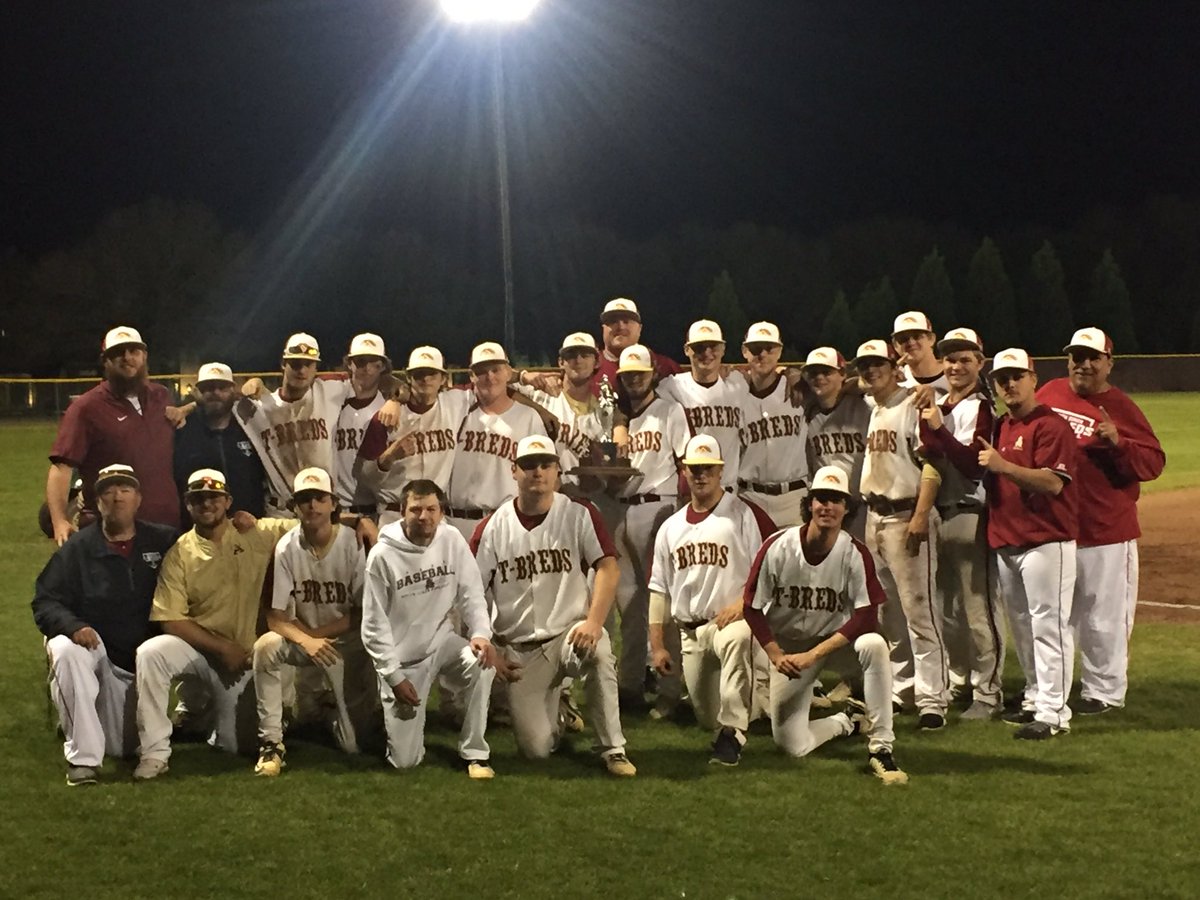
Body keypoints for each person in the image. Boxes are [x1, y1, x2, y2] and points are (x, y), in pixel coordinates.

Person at [470, 436, 636, 776]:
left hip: (570, 635)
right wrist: (488, 644)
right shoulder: (492, 526)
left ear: (558, 470)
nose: (538, 472)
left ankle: (613, 749)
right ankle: (559, 708)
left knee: (601, 651)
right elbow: (472, 591)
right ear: (513, 471)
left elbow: (608, 567)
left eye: (546, 464)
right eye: (529, 465)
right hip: (522, 651)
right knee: (536, 751)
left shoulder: (579, 513)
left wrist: (594, 621)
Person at [742, 465, 907, 785]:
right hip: (790, 650)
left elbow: (866, 617)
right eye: (821, 499)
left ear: (847, 508)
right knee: (792, 745)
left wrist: (815, 655)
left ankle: (882, 748)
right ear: (809, 503)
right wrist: (776, 655)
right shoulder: (779, 546)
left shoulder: (854, 552)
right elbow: (752, 607)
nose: (827, 507)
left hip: (836, 643)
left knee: (874, 644)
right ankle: (848, 721)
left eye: (836, 500)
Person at [132, 468, 297, 779]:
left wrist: (358, 521)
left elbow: (311, 524)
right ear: (187, 504)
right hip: (205, 652)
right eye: (198, 498)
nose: (207, 504)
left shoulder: (257, 532)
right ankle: (154, 752)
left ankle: (206, 712)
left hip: (246, 659)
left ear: (228, 501)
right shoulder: (180, 551)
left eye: (214, 497)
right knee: (151, 652)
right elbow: (169, 617)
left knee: (236, 746)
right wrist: (221, 648)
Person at [1037, 327, 1165, 714]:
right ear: (1068, 360)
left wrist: (1119, 444)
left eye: (1094, 357)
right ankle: (1053, 689)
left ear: (1109, 363)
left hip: (1106, 530)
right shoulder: (1050, 393)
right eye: (1078, 356)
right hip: (1058, 528)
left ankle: (1104, 691)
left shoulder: (1121, 407)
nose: (1085, 364)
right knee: (1058, 616)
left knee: (1102, 617)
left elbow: (1153, 463)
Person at [32, 465, 178, 785]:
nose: (116, 497)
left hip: (139, 666)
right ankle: (83, 760)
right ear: (97, 502)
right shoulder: (78, 548)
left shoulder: (164, 539)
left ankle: (85, 716)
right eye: (108, 491)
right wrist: (72, 626)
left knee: (122, 748)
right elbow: (45, 600)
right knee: (63, 648)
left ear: (138, 498)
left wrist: (241, 525)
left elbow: (206, 547)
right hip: (96, 654)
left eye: (125, 489)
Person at [647, 434, 776, 766]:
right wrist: (658, 646)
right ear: (684, 472)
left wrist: (744, 605)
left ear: (721, 472)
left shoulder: (743, 514)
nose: (701, 475)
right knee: (708, 719)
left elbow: (769, 570)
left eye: (708, 468)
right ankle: (776, 697)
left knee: (737, 642)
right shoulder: (670, 528)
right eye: (694, 468)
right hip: (691, 633)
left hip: (731, 623)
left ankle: (733, 735)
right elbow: (658, 589)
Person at [361, 479, 499, 778]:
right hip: (404, 660)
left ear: (441, 511)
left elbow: (471, 592)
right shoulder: (382, 556)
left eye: (431, 509)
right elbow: (373, 626)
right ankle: (386, 724)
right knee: (405, 761)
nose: (424, 516)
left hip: (442, 642)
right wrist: (394, 676)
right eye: (416, 509)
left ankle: (475, 752)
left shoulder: (451, 540)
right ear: (402, 511)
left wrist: (479, 635)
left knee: (483, 663)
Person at [250, 467, 379, 777]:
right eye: (304, 499)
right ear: (295, 506)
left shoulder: (353, 543)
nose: (312, 506)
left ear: (334, 504)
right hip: (305, 643)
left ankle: (342, 711)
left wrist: (316, 636)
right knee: (265, 647)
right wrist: (307, 641)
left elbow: (363, 613)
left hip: (347, 642)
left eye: (319, 498)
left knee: (353, 743)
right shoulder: (286, 547)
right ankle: (271, 742)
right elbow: (275, 617)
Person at [980, 348, 1079, 740]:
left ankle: (1055, 713)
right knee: (1022, 627)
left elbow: (1054, 483)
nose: (1009, 383)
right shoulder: (1003, 426)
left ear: (1033, 378)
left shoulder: (1051, 426)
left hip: (1045, 541)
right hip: (1008, 540)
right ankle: (1036, 698)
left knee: (1049, 628)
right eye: (1002, 378)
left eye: (1016, 376)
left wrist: (1003, 467)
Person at [856, 339, 948, 728]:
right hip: (874, 518)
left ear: (896, 367)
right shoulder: (877, 406)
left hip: (906, 514)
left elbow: (934, 463)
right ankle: (902, 687)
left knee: (920, 611)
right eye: (865, 365)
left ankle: (933, 699)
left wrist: (920, 516)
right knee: (889, 613)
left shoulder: (915, 404)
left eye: (878, 363)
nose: (870, 370)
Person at [918, 328, 1005, 719]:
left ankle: (988, 693)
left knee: (978, 611)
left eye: (964, 359)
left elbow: (972, 467)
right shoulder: (939, 403)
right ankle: (959, 681)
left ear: (979, 363)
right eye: (949, 359)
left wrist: (938, 429)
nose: (955, 366)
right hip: (939, 515)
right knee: (947, 611)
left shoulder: (981, 407)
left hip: (971, 513)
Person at [236, 332, 401, 516]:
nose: (302, 370)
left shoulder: (330, 390)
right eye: (295, 363)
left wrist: (397, 397)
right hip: (282, 511)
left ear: (316, 367)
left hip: (323, 509)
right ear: (283, 364)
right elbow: (217, 399)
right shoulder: (255, 407)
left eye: (308, 364)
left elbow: (378, 379)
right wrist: (247, 384)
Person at [47, 325, 182, 543]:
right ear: (105, 361)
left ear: (144, 356)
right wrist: (59, 520)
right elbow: (61, 468)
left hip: (166, 527)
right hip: (111, 532)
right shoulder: (86, 408)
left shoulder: (162, 396)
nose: (127, 358)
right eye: (118, 353)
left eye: (133, 351)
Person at [612, 344, 690, 715]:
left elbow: (685, 462)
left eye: (640, 373)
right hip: (621, 509)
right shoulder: (619, 417)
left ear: (653, 374)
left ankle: (670, 690)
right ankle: (628, 687)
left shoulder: (669, 410)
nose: (634, 379)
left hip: (658, 504)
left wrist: (688, 512)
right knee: (628, 605)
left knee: (662, 602)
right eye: (628, 375)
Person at [445, 341, 549, 541]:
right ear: (471, 375)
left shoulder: (528, 416)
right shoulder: (456, 405)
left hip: (505, 522)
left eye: (496, 369)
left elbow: (544, 472)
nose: (490, 377)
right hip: (455, 523)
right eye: (482, 371)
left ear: (508, 373)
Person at [357, 346, 472, 527]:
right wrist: (388, 458)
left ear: (443, 378)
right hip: (395, 514)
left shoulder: (456, 403)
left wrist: (522, 376)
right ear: (409, 378)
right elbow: (363, 475)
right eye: (419, 374)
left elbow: (495, 384)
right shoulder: (386, 417)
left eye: (431, 374)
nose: (425, 379)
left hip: (435, 516)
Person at [656, 320, 748, 491]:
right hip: (690, 492)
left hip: (729, 490)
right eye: (699, 347)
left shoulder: (739, 384)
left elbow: (766, 377)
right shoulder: (670, 387)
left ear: (723, 349)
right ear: (686, 350)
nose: (707, 353)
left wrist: (789, 373)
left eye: (713, 346)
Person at [173, 362, 266, 525]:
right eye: (208, 388)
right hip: (199, 531)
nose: (215, 392)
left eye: (222, 387)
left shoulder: (251, 426)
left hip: (249, 528)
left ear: (233, 391)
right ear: (197, 392)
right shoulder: (182, 430)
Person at [736, 321, 809, 527]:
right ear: (744, 351)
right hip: (750, 497)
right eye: (756, 349)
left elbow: (843, 385)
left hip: (794, 497)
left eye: (769, 348)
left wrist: (796, 374)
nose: (763, 355)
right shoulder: (733, 391)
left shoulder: (799, 388)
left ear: (779, 351)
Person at [517, 332, 604, 485]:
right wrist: (523, 376)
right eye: (571, 355)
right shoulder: (541, 394)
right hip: (543, 494)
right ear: (560, 362)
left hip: (586, 499)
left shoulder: (605, 412)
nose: (578, 360)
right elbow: (499, 382)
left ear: (596, 362)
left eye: (585, 355)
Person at [803, 347, 870, 540]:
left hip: (861, 506)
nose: (819, 378)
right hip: (827, 507)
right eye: (814, 373)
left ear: (842, 374)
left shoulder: (864, 404)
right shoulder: (806, 410)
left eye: (826, 372)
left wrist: (856, 383)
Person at [333, 333, 390, 513]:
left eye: (375, 363)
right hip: (336, 508)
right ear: (349, 364)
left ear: (383, 367)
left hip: (375, 507)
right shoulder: (332, 401)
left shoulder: (388, 407)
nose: (367, 368)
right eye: (360, 361)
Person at [591, 297, 681, 395]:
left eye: (626, 321)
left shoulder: (664, 366)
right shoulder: (587, 367)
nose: (620, 326)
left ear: (639, 329)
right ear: (603, 328)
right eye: (613, 321)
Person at [892, 311, 947, 392]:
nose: (911, 342)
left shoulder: (955, 372)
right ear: (895, 346)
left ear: (931, 339)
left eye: (916, 336)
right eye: (903, 339)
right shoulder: (895, 383)